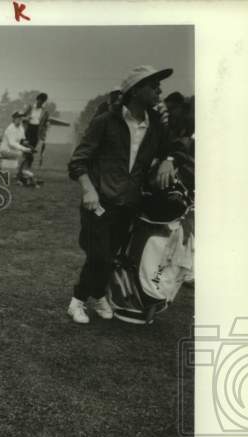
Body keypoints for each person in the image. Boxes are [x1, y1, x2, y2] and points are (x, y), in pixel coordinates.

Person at [66, 65, 181, 325]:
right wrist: (88, 190)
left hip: (129, 203)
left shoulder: (157, 126)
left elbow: (170, 148)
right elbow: (78, 161)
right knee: (99, 256)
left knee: (111, 254)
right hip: (98, 201)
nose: (159, 90)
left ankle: (97, 293)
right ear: (136, 91)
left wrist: (169, 159)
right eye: (153, 86)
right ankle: (78, 301)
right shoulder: (105, 121)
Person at [0, 111, 35, 184]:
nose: (20, 119)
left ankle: (22, 174)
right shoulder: (10, 128)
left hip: (14, 150)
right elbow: (12, 143)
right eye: (18, 118)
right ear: (14, 119)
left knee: (29, 155)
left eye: (21, 117)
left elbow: (22, 140)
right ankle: (20, 177)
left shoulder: (21, 128)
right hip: (5, 150)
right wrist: (24, 149)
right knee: (21, 155)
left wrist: (29, 146)